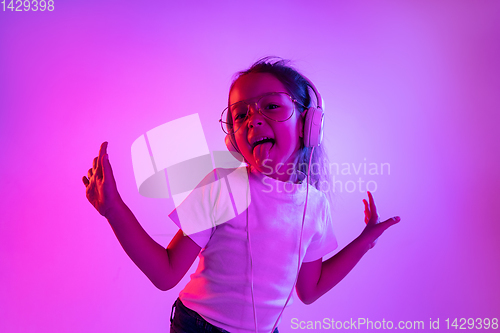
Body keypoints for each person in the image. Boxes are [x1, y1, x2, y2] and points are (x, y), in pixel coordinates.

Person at [82, 57, 400, 333]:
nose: (254, 120)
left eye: (271, 106)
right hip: (198, 328)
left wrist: (364, 241)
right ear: (232, 139)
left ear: (308, 124)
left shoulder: (314, 206)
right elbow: (165, 273)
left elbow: (310, 288)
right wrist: (114, 209)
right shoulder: (221, 186)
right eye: (240, 115)